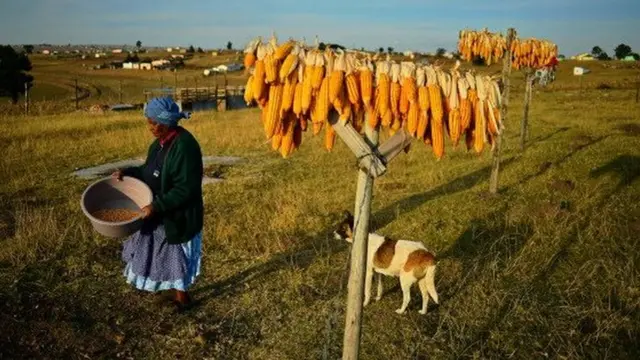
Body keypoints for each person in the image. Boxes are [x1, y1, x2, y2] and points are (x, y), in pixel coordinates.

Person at [112, 97, 204, 309]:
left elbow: (186, 189)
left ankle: (183, 298)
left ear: (168, 122)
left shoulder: (185, 146)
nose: (151, 127)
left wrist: (157, 206)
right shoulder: (159, 144)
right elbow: (148, 171)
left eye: (155, 123)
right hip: (157, 208)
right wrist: (128, 173)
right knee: (154, 251)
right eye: (149, 122)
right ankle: (163, 286)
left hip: (176, 214)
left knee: (175, 256)